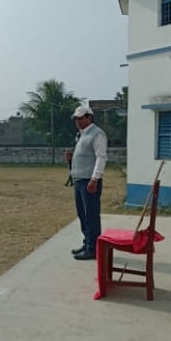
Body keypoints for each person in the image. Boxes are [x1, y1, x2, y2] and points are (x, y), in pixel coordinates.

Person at [65, 106, 107, 260]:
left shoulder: (97, 134)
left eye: (80, 118)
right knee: (82, 214)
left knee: (91, 215)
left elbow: (101, 157)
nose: (77, 121)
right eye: (76, 118)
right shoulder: (81, 135)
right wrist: (71, 160)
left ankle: (93, 248)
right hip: (79, 180)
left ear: (89, 117)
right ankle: (88, 242)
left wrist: (94, 179)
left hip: (89, 180)